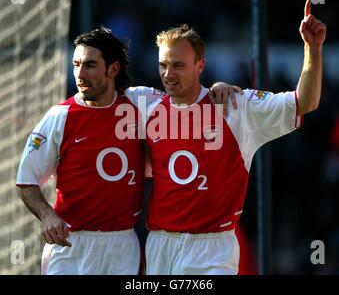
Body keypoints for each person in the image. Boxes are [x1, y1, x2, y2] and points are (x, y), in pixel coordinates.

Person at [16, 27, 239, 275]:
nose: (80, 73)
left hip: (123, 245)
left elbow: (184, 96)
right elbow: (26, 181)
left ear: (112, 69)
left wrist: (218, 87)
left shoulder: (141, 102)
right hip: (71, 244)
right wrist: (47, 215)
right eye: (76, 64)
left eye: (90, 65)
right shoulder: (59, 116)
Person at [144, 0, 326, 275]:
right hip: (160, 244)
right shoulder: (144, 107)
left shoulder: (235, 106)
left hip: (213, 249)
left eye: (178, 65)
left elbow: (305, 102)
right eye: (163, 65)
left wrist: (312, 49)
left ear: (200, 66)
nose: (168, 74)